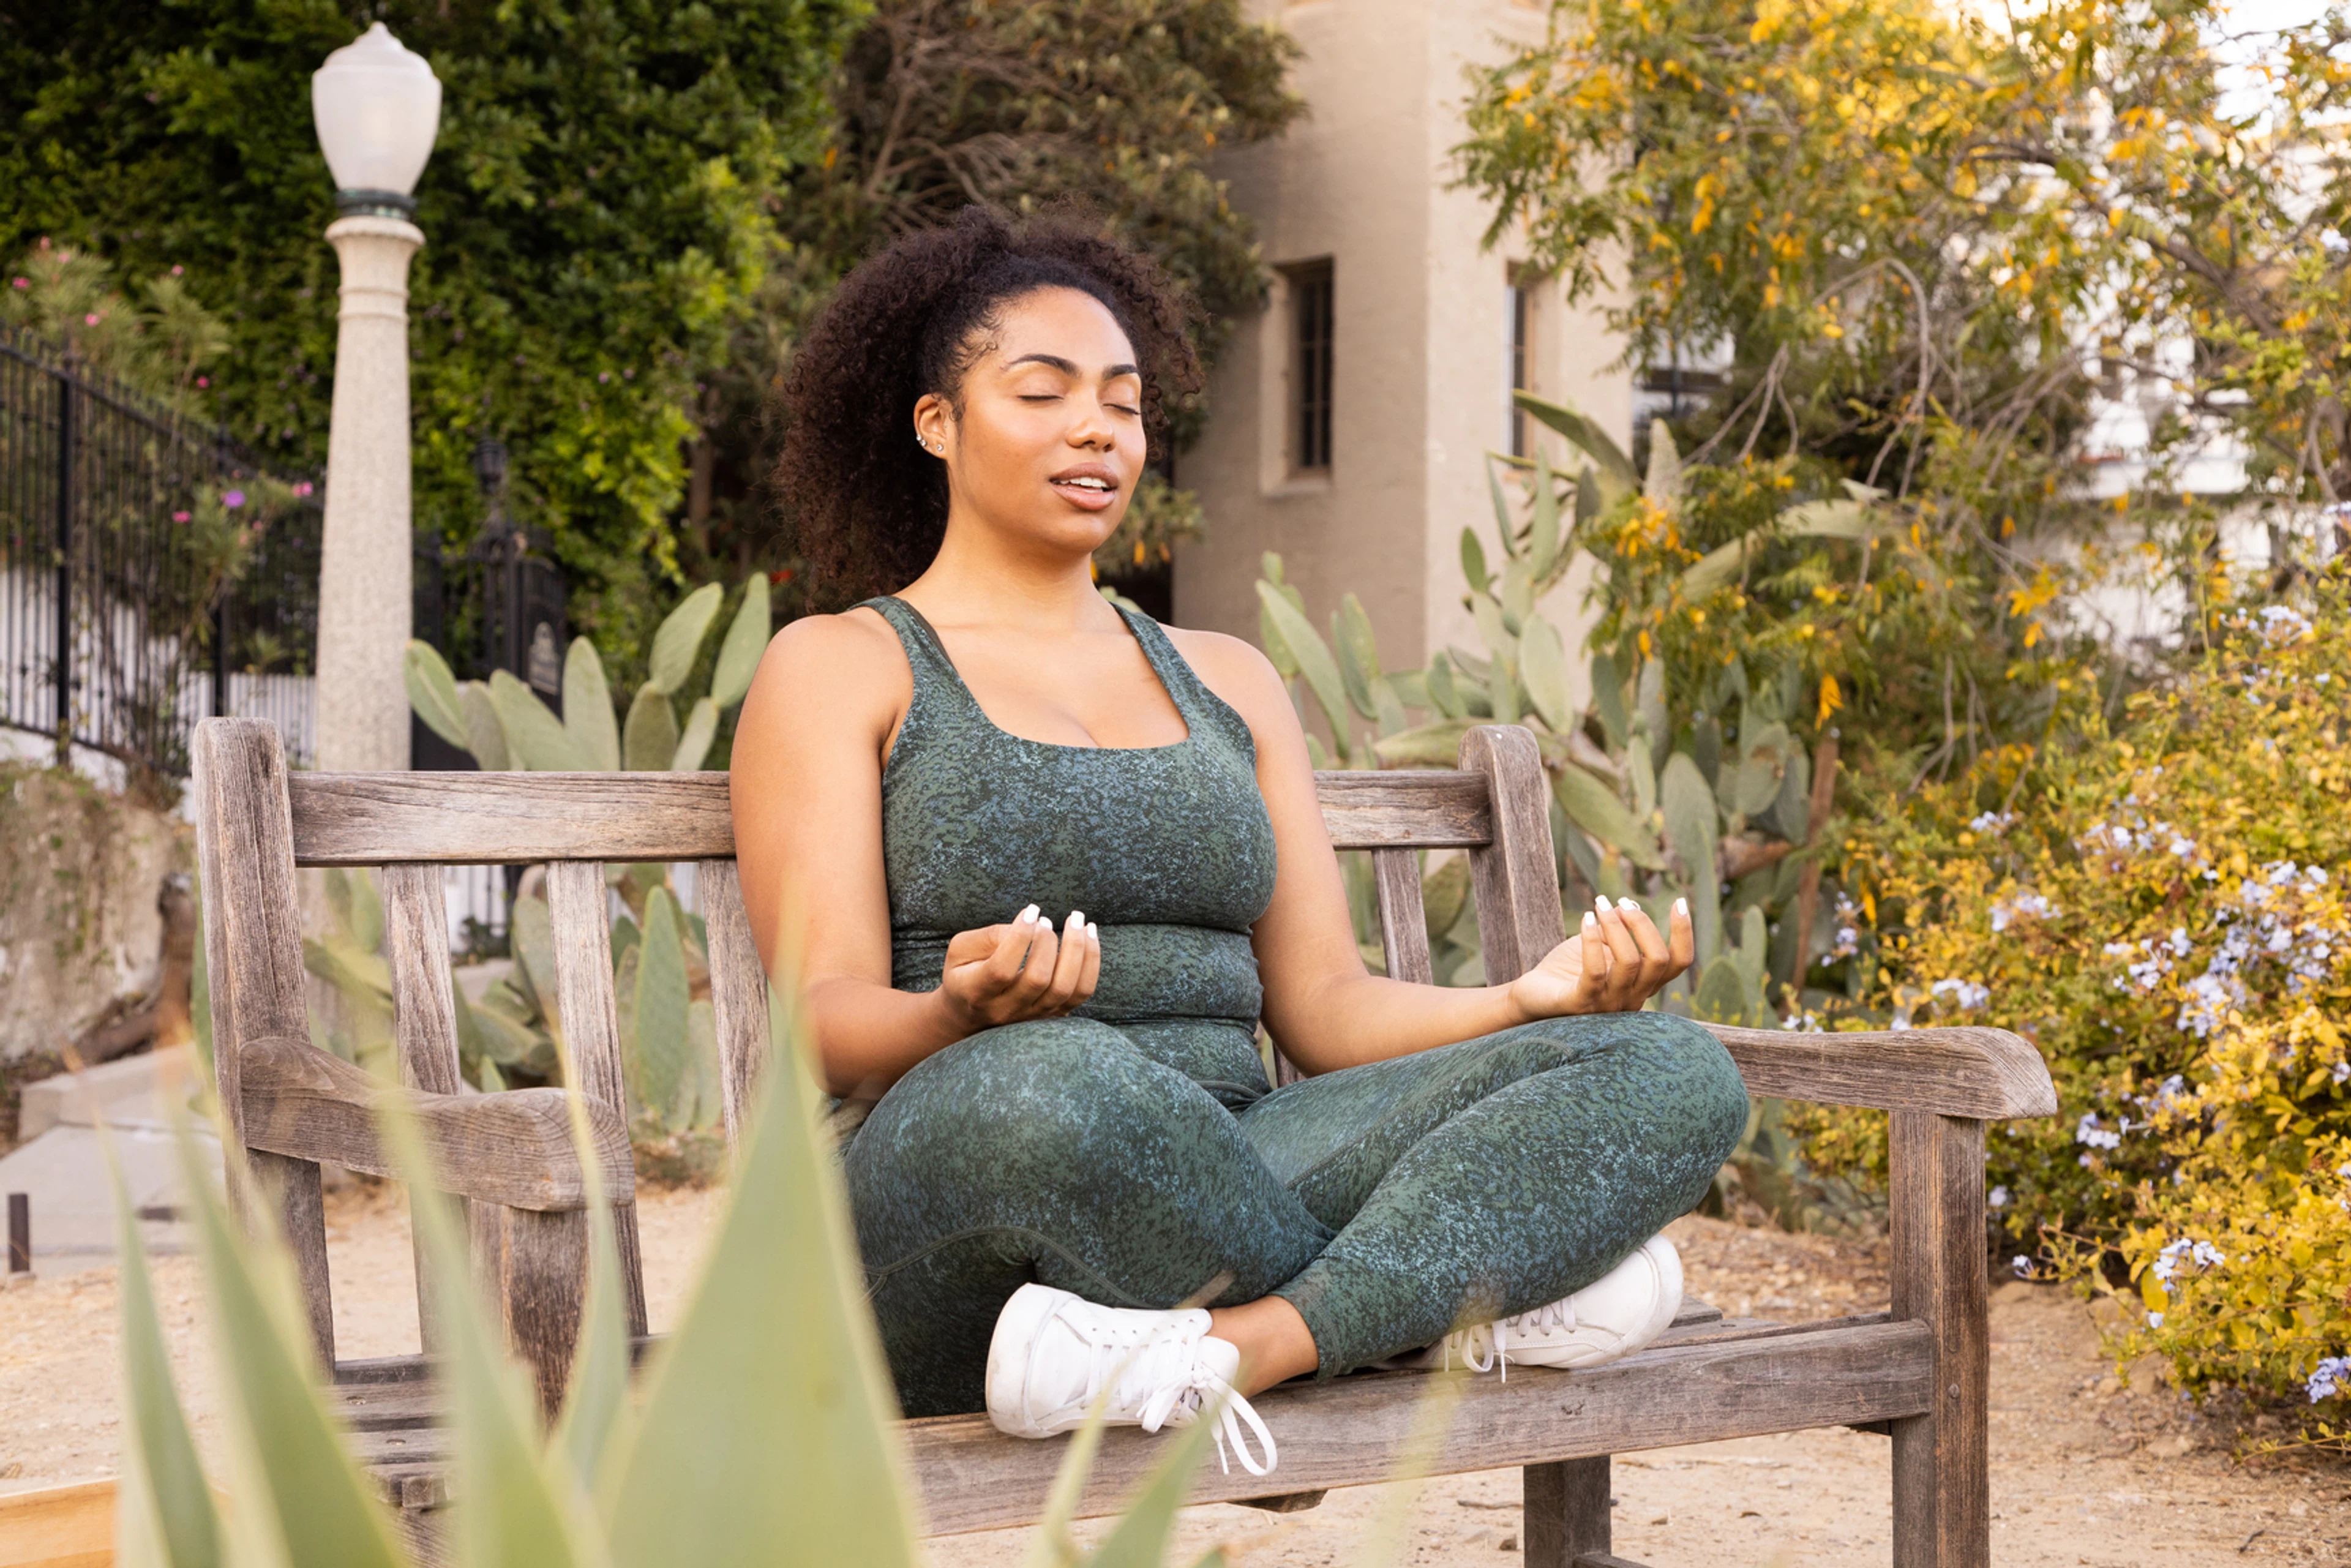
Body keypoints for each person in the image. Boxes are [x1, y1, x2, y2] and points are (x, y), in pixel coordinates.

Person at [730, 208, 1749, 1477]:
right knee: (1063, 1082)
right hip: (958, 1189)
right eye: (1042, 393)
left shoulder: (1228, 678)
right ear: (937, 421)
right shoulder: (843, 665)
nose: (1098, 428)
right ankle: (1437, 1298)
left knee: (1676, 1071)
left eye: (1124, 401)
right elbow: (820, 1015)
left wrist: (1526, 997)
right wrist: (957, 1012)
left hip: (1233, 1164)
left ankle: (1243, 1347)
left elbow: (1321, 1009)